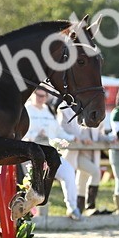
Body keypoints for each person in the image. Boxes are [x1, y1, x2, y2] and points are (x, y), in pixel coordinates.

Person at [25, 88, 81, 219]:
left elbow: (58, 131)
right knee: (32, 182)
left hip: (50, 154)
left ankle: (72, 208)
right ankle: (29, 213)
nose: (41, 99)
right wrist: (35, 134)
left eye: (44, 96)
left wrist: (72, 137)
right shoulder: (26, 110)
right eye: (38, 95)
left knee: (69, 172)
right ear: (33, 95)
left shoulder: (48, 111)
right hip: (30, 155)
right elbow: (22, 132)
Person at [60, 96, 105, 214]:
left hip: (90, 154)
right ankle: (90, 205)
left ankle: (80, 209)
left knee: (82, 180)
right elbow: (66, 129)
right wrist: (81, 139)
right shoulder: (67, 109)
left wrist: (110, 138)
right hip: (75, 153)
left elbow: (99, 135)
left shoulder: (96, 113)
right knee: (95, 172)